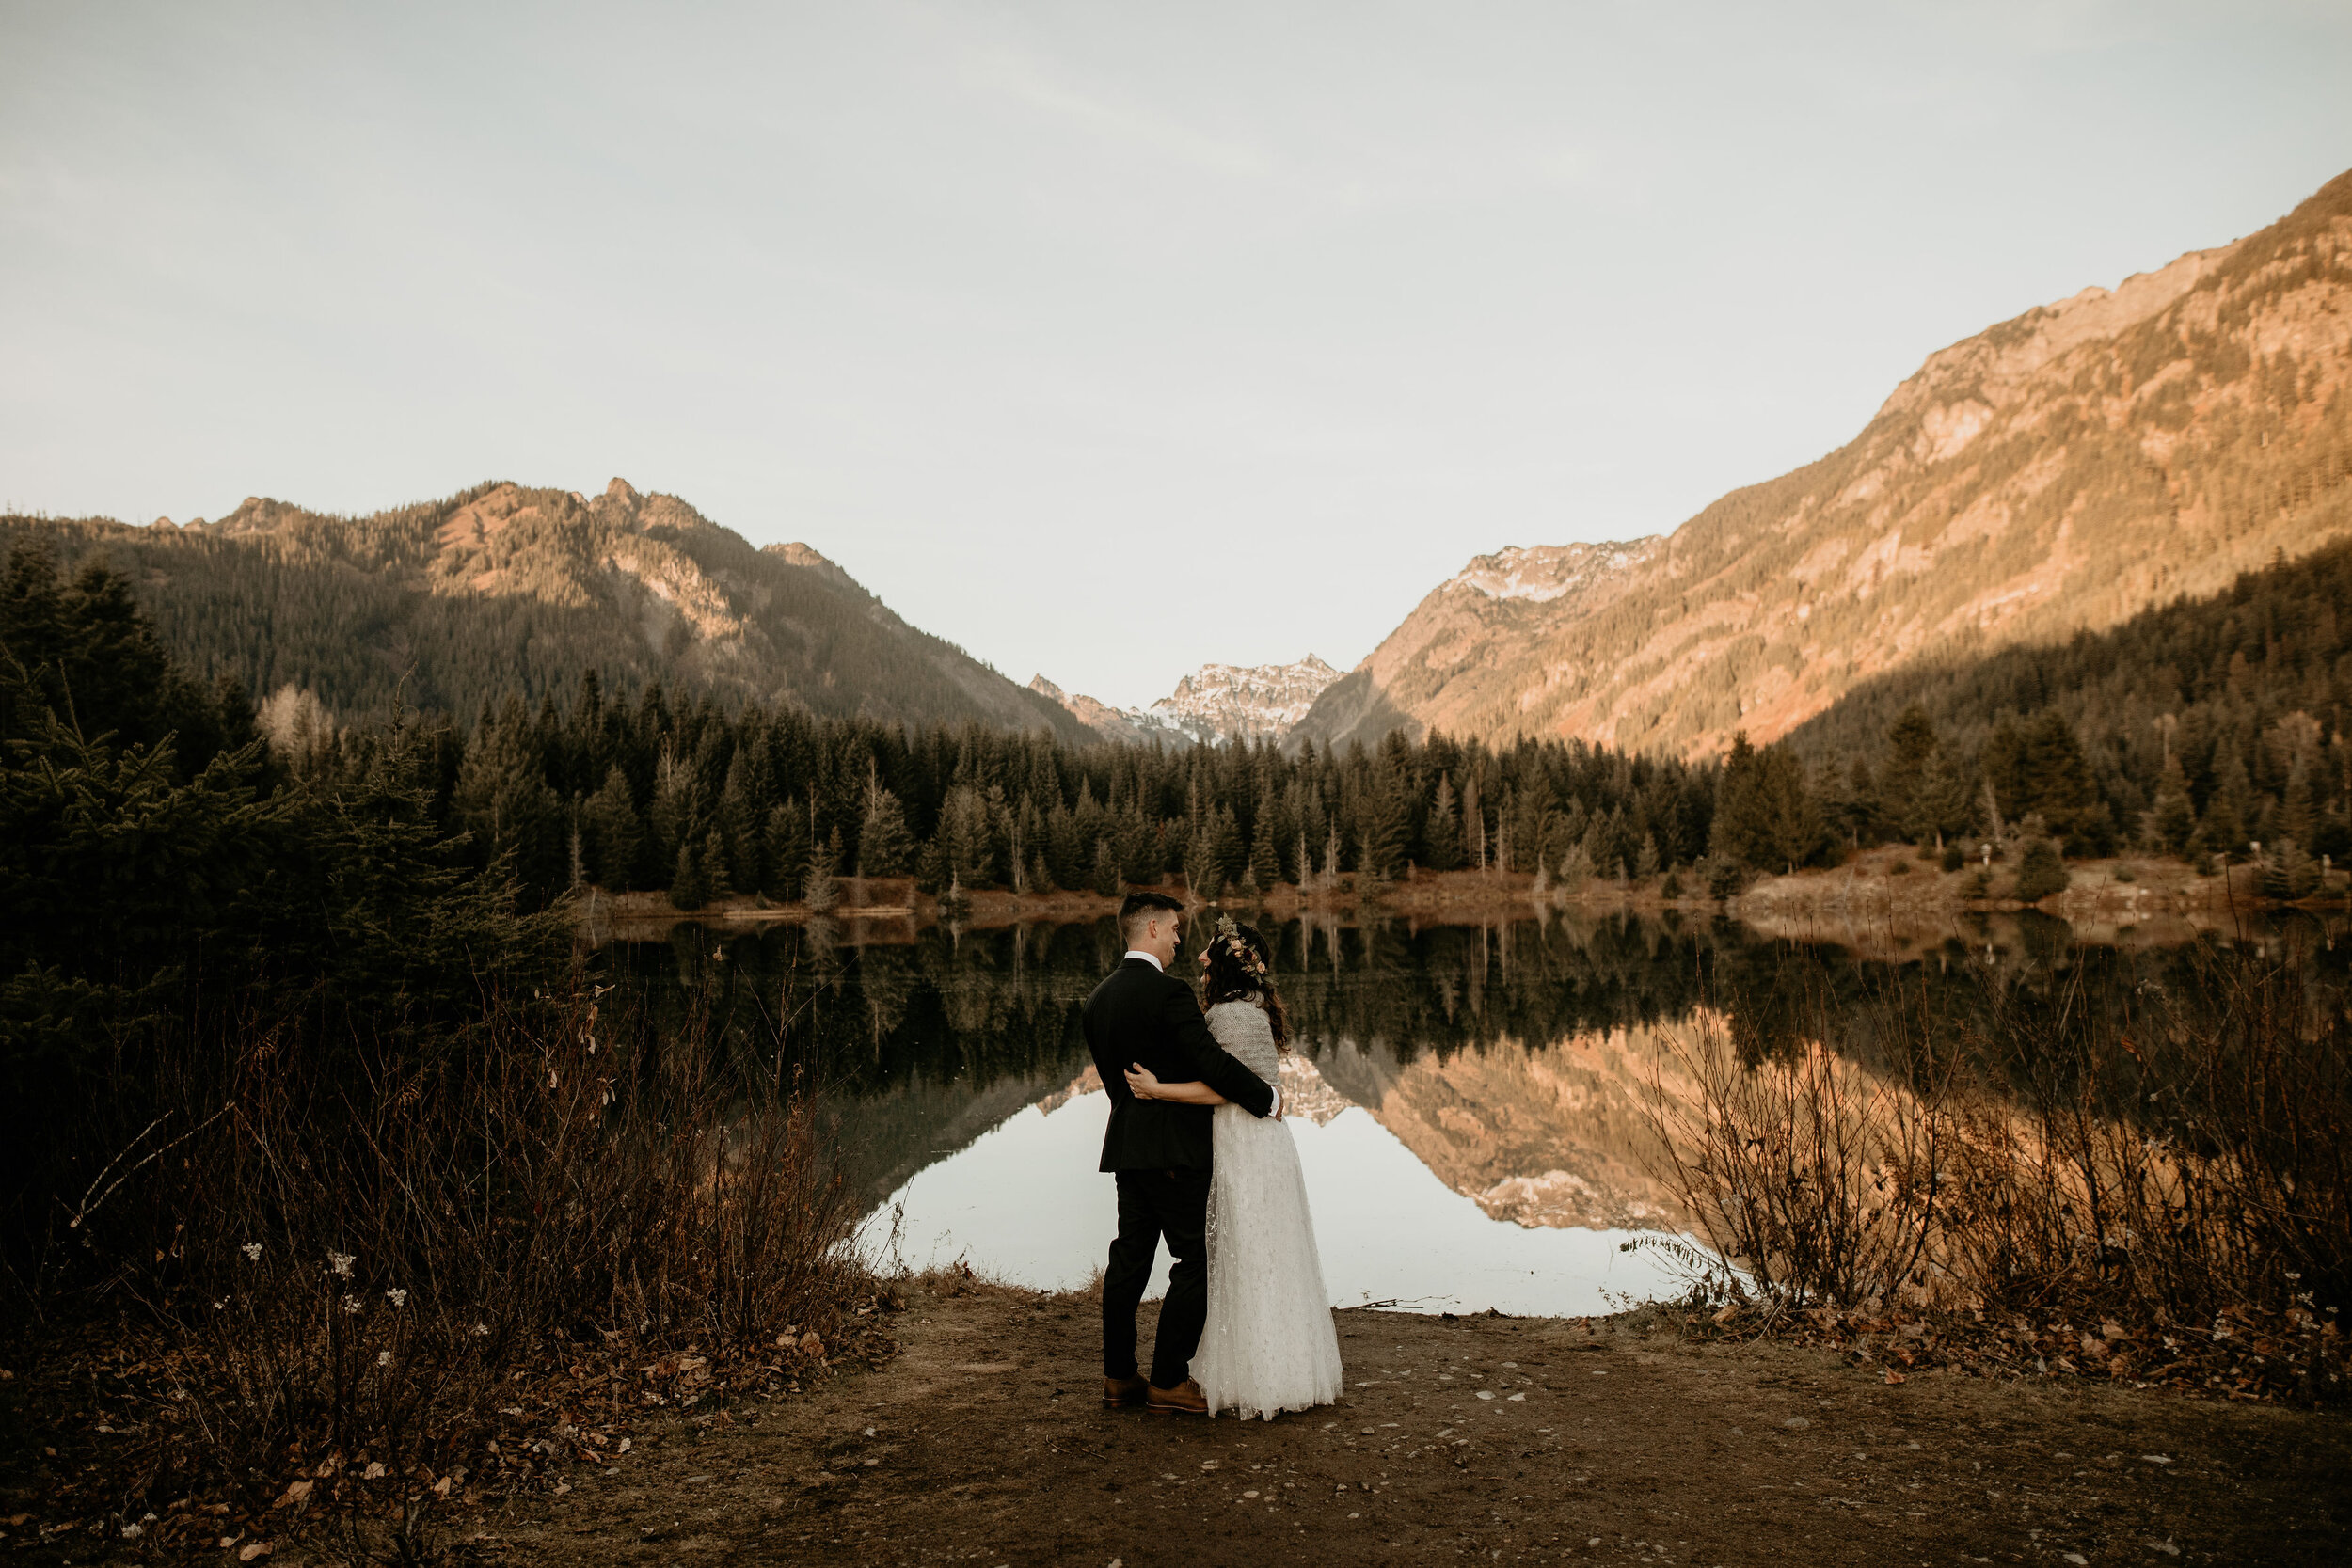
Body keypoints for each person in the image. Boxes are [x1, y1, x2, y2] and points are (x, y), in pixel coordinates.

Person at [1123, 914, 1343, 1419]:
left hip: (1245, 1144)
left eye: (1208, 951)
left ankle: (1262, 1374)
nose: (1199, 957)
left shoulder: (1231, 1015)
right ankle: (1267, 1366)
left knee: (1246, 1253)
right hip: (1254, 1142)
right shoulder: (1243, 1007)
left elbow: (1227, 1089)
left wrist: (1159, 1090)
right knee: (1252, 1255)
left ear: (1226, 962)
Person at [1082, 891, 1280, 1416]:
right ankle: (1169, 1380)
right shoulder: (1168, 995)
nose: (1177, 939)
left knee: (1129, 1260)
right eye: (1172, 929)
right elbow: (1212, 1064)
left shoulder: (1099, 998)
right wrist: (1268, 1097)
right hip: (1175, 1152)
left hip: (1127, 1147)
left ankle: (1119, 1377)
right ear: (1150, 928)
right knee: (1195, 1261)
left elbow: (1114, 1082)